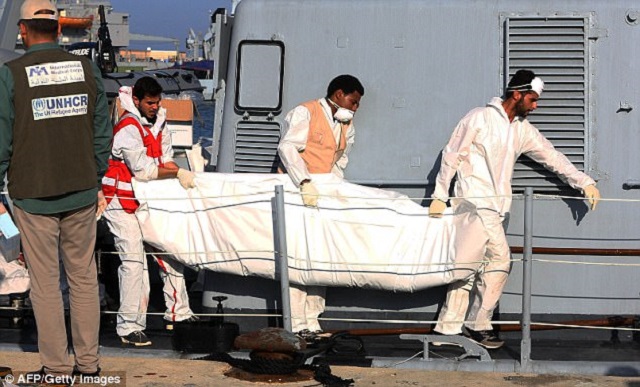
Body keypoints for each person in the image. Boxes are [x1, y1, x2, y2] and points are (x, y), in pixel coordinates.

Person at [428, 69, 600, 349]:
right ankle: (477, 324)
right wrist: (439, 195)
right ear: (516, 94)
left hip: (497, 209)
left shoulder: (520, 129)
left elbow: (551, 156)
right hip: (472, 204)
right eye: (532, 99)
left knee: (469, 267)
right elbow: (452, 155)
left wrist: (584, 183)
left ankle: (446, 330)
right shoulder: (478, 118)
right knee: (499, 261)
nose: (535, 105)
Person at [0, 0, 111, 380]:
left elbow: (2, 139)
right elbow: (101, 131)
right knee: (83, 280)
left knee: (46, 284)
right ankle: (90, 365)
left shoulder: (10, 74)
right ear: (60, 30)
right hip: (81, 190)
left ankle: (57, 369)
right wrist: (94, 175)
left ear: (23, 30)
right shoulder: (87, 69)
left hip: (33, 194)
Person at [101, 77, 198, 347]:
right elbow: (144, 171)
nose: (155, 107)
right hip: (120, 201)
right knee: (134, 263)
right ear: (137, 101)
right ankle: (129, 326)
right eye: (150, 103)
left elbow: (164, 157)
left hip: (146, 198)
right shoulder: (127, 129)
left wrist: (173, 170)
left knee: (169, 252)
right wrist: (178, 172)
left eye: (157, 102)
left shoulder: (159, 122)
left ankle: (179, 312)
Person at [278, 74, 364, 340]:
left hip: (323, 195)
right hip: (298, 191)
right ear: (339, 94)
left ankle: (313, 320)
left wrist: (336, 189)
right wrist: (304, 182)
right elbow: (288, 148)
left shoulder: (346, 124)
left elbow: (340, 159)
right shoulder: (305, 112)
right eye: (353, 101)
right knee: (296, 258)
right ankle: (296, 322)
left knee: (319, 257)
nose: (355, 108)